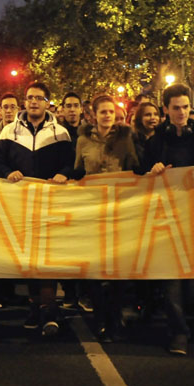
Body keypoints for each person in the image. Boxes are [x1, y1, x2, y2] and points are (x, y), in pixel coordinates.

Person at [141, 83, 194, 355]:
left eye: (186, 107)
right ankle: (179, 332)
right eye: (176, 108)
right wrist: (152, 170)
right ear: (166, 109)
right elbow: (141, 173)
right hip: (167, 216)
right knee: (172, 275)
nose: (182, 112)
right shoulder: (156, 142)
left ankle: (180, 316)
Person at [0, 81, 74, 336]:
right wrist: (7, 173)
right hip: (21, 205)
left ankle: (49, 309)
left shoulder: (60, 132)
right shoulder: (8, 131)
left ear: (48, 102)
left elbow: (70, 163)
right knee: (28, 257)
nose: (33, 102)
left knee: (48, 257)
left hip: (51, 204)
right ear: (24, 101)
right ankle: (34, 306)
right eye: (30, 98)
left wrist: (62, 174)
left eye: (39, 98)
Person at [73, 94, 140, 342]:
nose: (107, 116)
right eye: (103, 112)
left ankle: (113, 319)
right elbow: (78, 170)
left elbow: (134, 167)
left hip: (120, 210)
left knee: (117, 270)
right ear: (94, 115)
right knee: (93, 269)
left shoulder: (126, 138)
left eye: (111, 112)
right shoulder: (82, 141)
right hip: (91, 211)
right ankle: (100, 317)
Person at [131, 100, 161, 167]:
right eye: (148, 115)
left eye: (156, 114)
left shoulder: (163, 139)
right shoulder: (133, 141)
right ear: (140, 119)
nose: (153, 118)